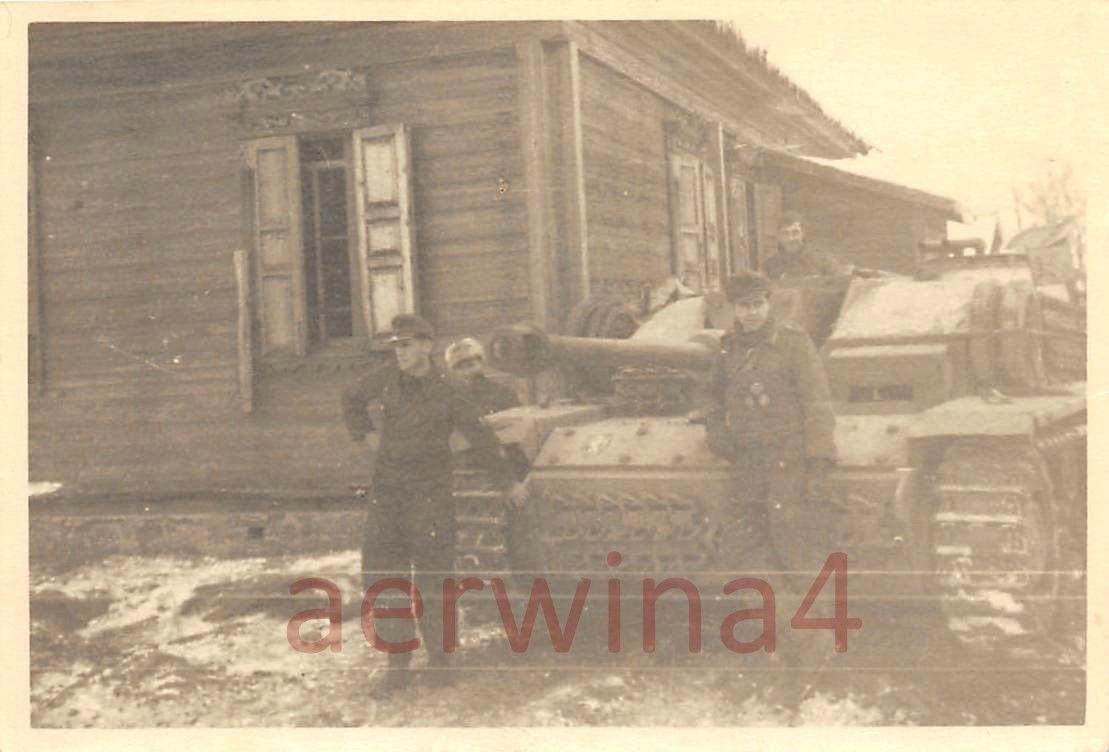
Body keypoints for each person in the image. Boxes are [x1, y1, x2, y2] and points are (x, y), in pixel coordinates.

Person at [342, 314, 526, 700]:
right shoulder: (385, 379)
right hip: (388, 494)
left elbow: (480, 437)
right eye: (396, 346)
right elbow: (351, 397)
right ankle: (397, 665)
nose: (400, 352)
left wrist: (507, 483)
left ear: (426, 346)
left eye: (406, 345)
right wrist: (366, 436)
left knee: (434, 580)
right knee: (383, 577)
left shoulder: (449, 390)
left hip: (429, 495)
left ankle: (441, 662)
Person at [704, 272, 837, 571]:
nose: (751, 312)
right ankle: (772, 615)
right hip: (747, 460)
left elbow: (817, 404)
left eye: (757, 304)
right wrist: (715, 430)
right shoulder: (728, 348)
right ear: (734, 309)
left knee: (796, 546)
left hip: (788, 461)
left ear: (768, 304)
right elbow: (711, 395)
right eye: (743, 305)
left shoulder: (793, 342)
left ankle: (812, 616)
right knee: (746, 548)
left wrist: (819, 464)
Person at [444, 337, 521, 416]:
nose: (466, 372)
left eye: (470, 365)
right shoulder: (451, 398)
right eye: (460, 368)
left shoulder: (504, 393)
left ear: (481, 363)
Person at [761, 210, 849, 279]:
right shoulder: (769, 266)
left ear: (803, 233)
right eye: (785, 233)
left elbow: (839, 284)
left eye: (795, 232)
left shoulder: (823, 259)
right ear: (779, 237)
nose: (791, 238)